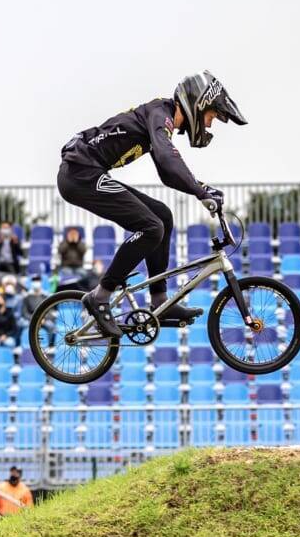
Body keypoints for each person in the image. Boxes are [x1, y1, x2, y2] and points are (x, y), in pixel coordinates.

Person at [57, 70, 245, 338]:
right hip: (79, 174)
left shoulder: (161, 118)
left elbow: (167, 173)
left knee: (163, 217)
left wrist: (198, 189)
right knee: (150, 227)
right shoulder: (161, 114)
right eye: (211, 116)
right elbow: (169, 160)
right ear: (198, 104)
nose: (210, 125)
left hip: (90, 172)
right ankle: (100, 296)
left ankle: (160, 302)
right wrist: (200, 189)